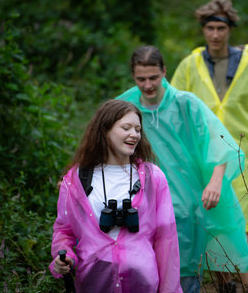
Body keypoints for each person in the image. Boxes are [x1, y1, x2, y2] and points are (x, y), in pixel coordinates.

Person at [116, 46, 248, 293]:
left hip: (186, 203)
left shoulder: (186, 104)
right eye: (141, 79)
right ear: (133, 76)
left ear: (165, 72)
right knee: (145, 272)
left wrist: (216, 180)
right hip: (141, 203)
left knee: (186, 271)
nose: (148, 85)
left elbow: (219, 141)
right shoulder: (123, 106)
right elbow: (99, 144)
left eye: (154, 78)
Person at [171, 0, 248, 289]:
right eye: (210, 28)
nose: (215, 34)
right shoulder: (189, 65)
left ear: (230, 29)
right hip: (203, 160)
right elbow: (175, 112)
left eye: (221, 28)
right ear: (203, 29)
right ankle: (225, 286)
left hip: (247, 159)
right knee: (215, 228)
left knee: (244, 229)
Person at [49, 99, 182, 292]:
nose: (134, 134)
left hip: (143, 284)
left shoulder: (154, 178)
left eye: (137, 129)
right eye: (126, 127)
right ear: (105, 131)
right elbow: (64, 230)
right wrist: (65, 257)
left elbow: (166, 240)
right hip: (93, 283)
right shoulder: (76, 180)